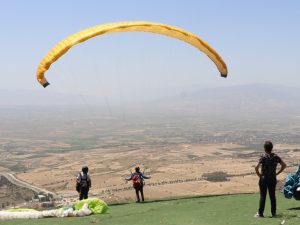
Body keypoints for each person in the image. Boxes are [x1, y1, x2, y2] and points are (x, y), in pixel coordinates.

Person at [254, 141, 286, 218]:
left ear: (265, 148)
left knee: (263, 196)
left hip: (264, 179)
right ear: (271, 148)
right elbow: (284, 165)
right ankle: (273, 213)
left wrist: (259, 175)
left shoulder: (263, 157)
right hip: (272, 178)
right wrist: (277, 173)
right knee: (272, 196)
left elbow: (256, 167)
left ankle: (260, 213)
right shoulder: (276, 156)